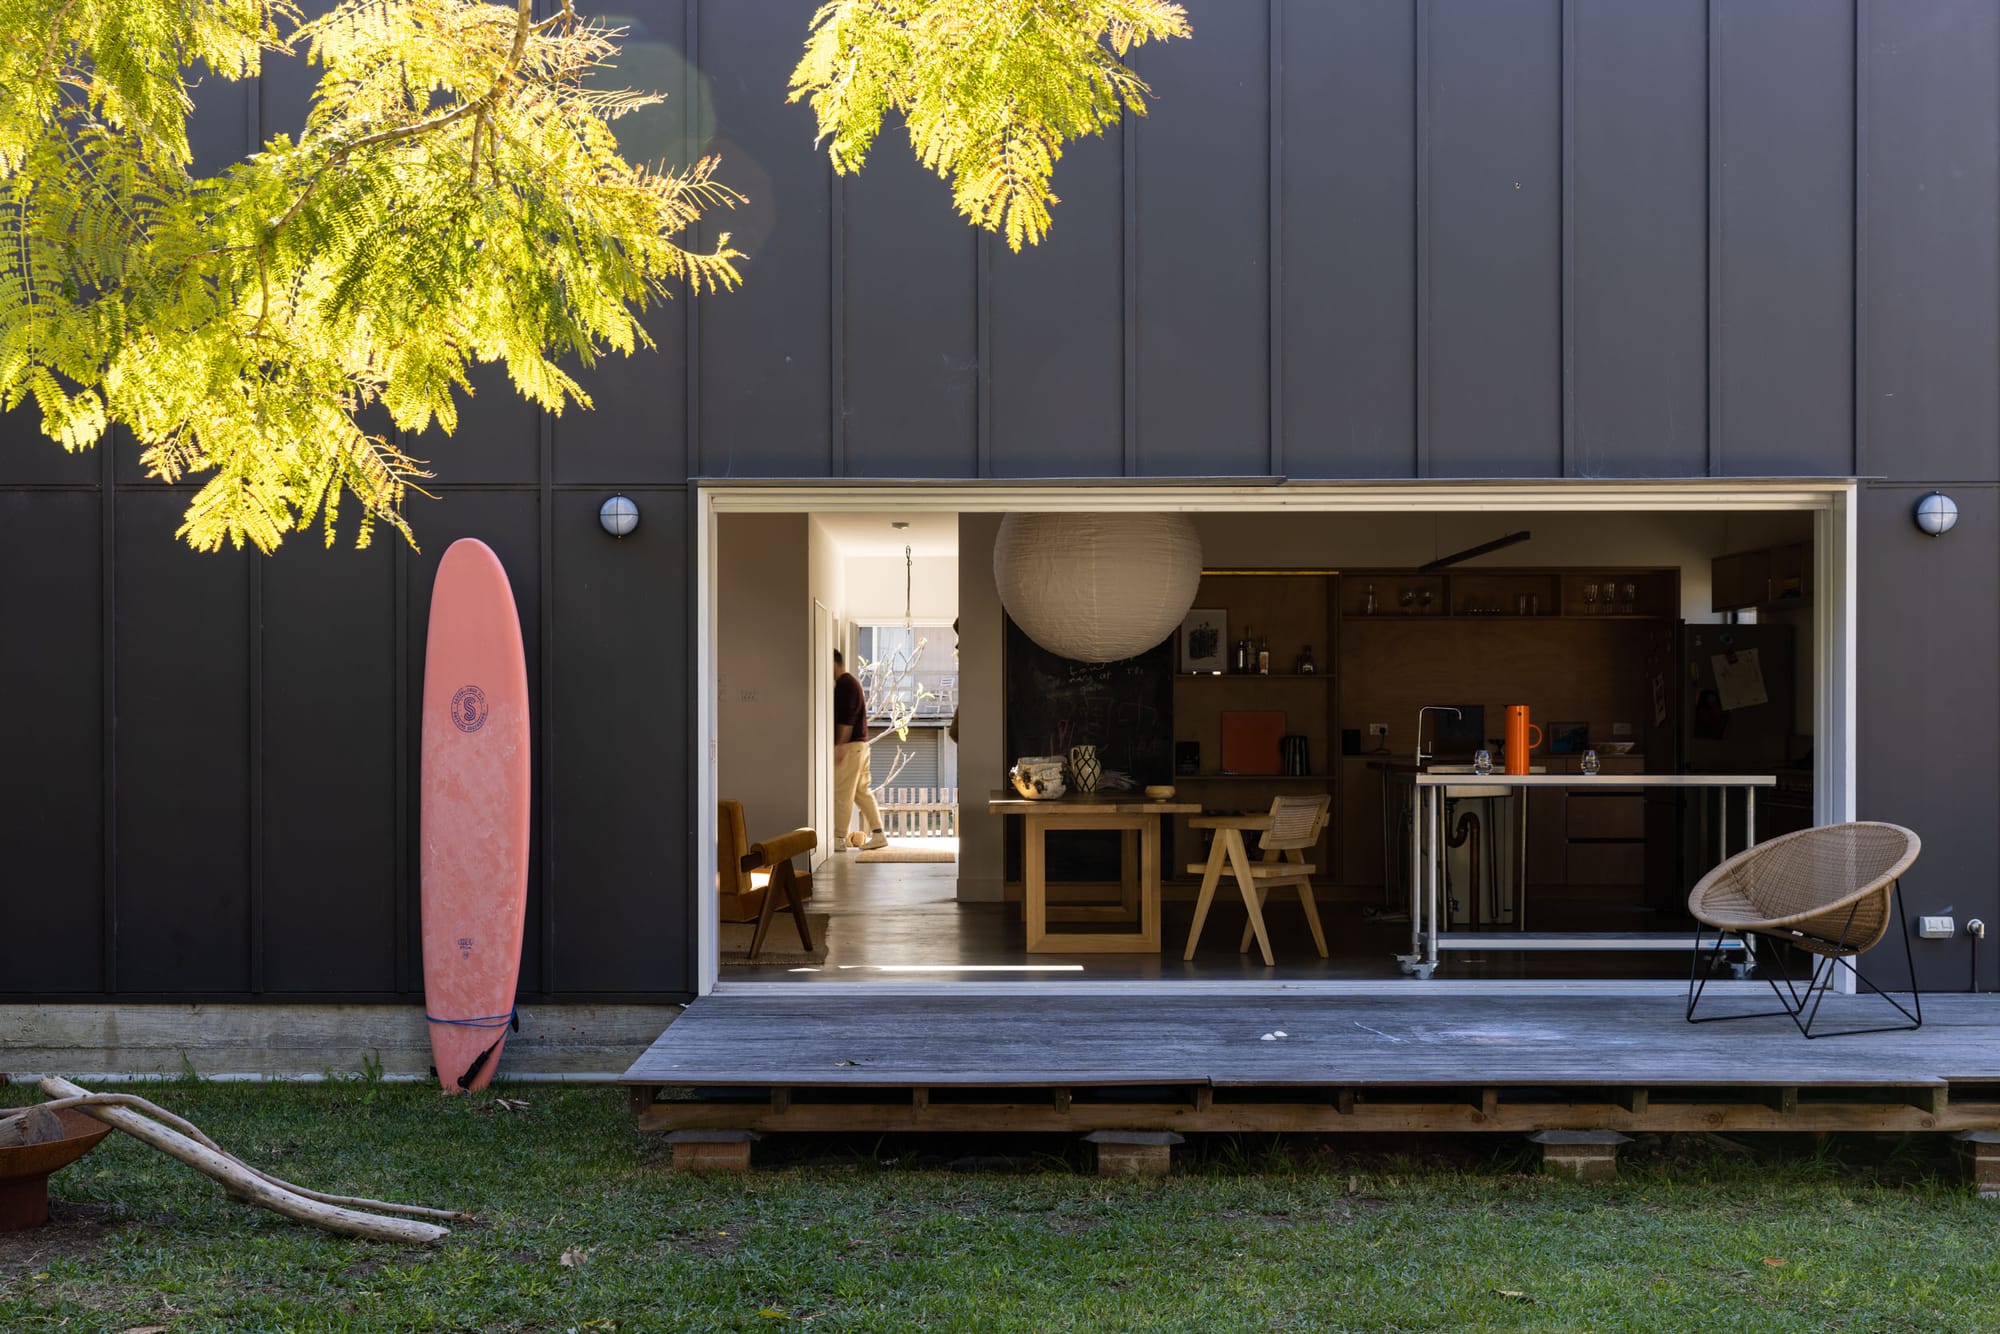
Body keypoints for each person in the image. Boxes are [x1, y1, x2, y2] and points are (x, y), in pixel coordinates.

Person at [833, 649, 888, 851]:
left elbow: (848, 718)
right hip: (861, 745)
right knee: (861, 792)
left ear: (833, 662)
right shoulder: (850, 683)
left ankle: (838, 839)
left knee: (842, 793)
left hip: (851, 746)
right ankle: (879, 834)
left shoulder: (845, 685)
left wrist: (839, 745)